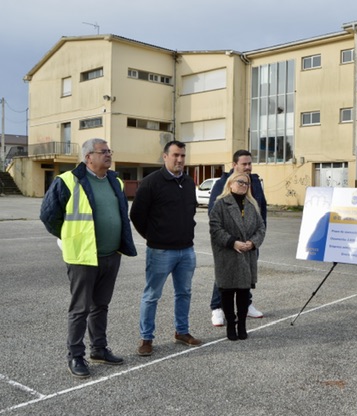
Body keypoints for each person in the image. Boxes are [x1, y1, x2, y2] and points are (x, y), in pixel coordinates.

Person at [40, 138, 137, 378]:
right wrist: (69, 237)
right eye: (102, 152)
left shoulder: (115, 181)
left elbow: (121, 213)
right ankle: (75, 356)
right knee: (80, 309)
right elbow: (49, 216)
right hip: (82, 257)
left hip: (111, 255)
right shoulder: (68, 181)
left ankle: (99, 349)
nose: (108, 154)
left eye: (109, 151)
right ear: (88, 157)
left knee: (101, 306)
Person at [130, 140, 202, 356]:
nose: (179, 159)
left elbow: (190, 212)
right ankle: (146, 338)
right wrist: (153, 237)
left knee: (184, 293)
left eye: (183, 156)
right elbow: (136, 215)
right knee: (152, 295)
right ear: (165, 157)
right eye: (175, 155)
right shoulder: (151, 182)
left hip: (186, 251)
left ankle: (182, 331)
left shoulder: (189, 182)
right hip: (160, 251)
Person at [207, 150, 267, 326]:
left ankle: (246, 304)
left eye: (250, 163)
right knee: (225, 275)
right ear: (234, 166)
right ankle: (217, 308)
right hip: (229, 243)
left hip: (250, 242)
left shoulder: (254, 182)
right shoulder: (222, 183)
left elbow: (261, 210)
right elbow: (214, 215)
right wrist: (231, 241)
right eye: (244, 164)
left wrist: (256, 240)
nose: (248, 167)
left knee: (246, 273)